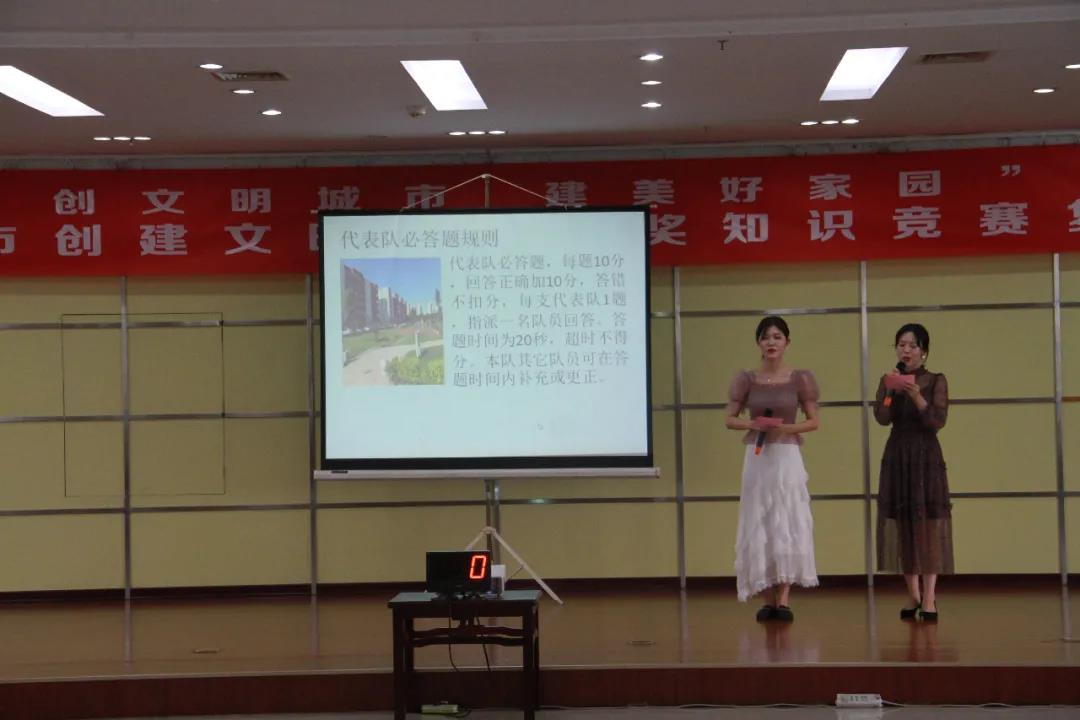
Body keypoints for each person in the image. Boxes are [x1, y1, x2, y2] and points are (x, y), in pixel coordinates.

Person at [725, 316, 820, 622]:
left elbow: (814, 421)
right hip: (758, 455)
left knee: (787, 519)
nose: (771, 342)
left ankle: (785, 597)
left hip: (787, 454)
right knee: (760, 519)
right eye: (766, 337)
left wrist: (785, 428)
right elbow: (730, 418)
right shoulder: (747, 379)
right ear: (758, 343)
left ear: (787, 342)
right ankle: (766, 596)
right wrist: (753, 423)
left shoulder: (800, 378)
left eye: (777, 337)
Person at [874, 323, 953, 623]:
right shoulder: (888, 380)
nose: (905, 350)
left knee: (927, 528)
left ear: (924, 351)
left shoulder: (936, 380)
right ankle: (913, 595)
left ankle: (930, 598)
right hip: (898, 455)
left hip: (925, 456)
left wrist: (918, 396)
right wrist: (890, 392)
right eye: (901, 345)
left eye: (912, 345)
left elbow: (937, 421)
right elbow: (882, 417)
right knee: (904, 525)